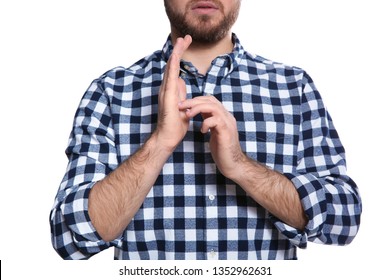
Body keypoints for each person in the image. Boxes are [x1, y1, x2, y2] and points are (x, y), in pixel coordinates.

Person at [50, 0, 362, 260]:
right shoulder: (111, 92)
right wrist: (160, 142)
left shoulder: (293, 87)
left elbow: (344, 220)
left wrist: (241, 167)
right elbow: (68, 236)